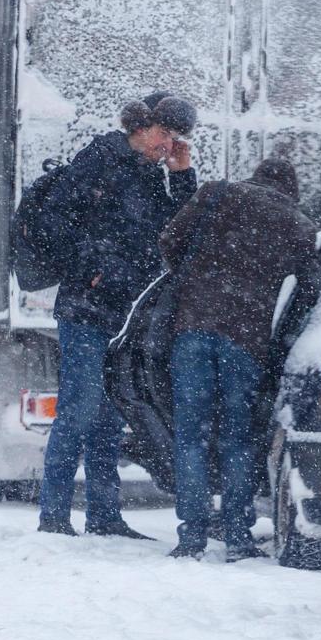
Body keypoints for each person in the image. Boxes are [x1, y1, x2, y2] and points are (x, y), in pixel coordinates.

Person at [37, 92, 199, 538]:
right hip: (86, 306)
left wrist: (182, 177)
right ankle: (53, 515)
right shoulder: (101, 158)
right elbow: (57, 220)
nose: (167, 144)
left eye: (175, 138)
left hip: (124, 312)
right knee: (78, 407)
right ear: (141, 125)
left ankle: (104, 516)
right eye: (164, 134)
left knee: (108, 413)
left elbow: (176, 230)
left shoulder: (150, 174)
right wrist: (92, 267)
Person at [159, 158, 320, 561]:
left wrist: (199, 279)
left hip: (193, 328)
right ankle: (237, 535)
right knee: (238, 438)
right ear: (292, 188)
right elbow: (308, 289)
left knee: (191, 436)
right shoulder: (297, 223)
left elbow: (169, 241)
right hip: (246, 340)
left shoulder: (215, 194)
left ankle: (192, 535)